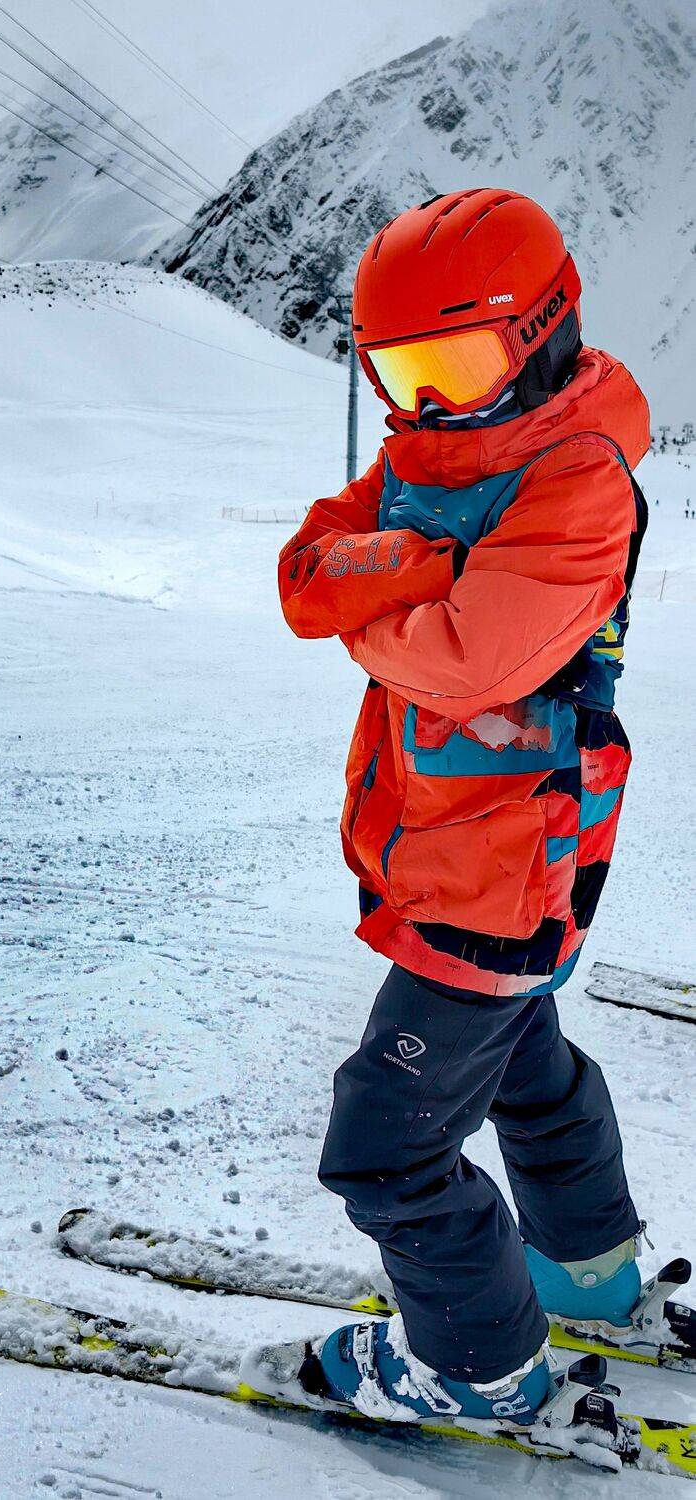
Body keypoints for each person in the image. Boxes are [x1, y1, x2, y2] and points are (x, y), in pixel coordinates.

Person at [273, 188, 650, 1422]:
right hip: (456, 855)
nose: (430, 403)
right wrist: (424, 573)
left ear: (541, 333)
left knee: (385, 1147)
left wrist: (374, 610)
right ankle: (587, 1283)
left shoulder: (578, 478)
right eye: (403, 373)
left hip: (507, 869)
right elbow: (302, 571)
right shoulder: (426, 456)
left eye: (459, 366)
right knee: (526, 1065)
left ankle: (477, 1370)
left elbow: (468, 660)